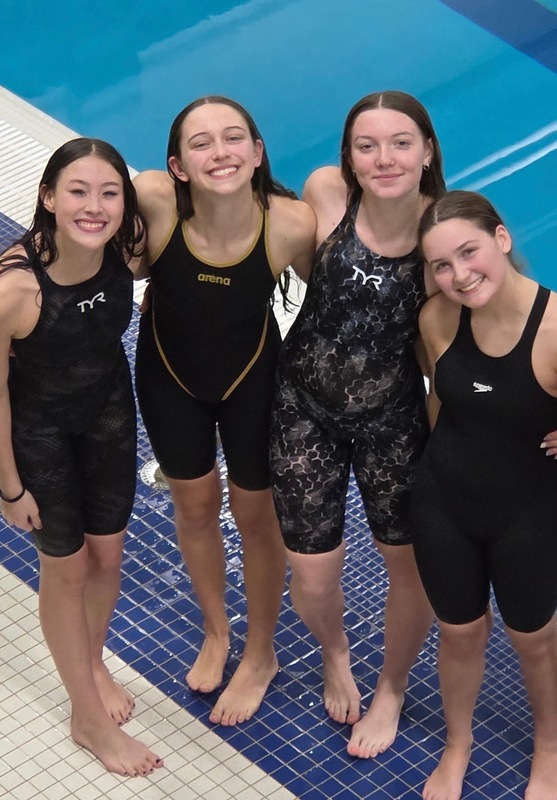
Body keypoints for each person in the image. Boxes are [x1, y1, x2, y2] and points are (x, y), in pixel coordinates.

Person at [270, 90, 446, 758]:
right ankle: (335, 652)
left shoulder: (442, 229)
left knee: (413, 570)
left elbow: (482, 328)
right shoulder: (324, 193)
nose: (383, 158)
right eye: (365, 145)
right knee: (312, 579)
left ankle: (392, 688)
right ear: (347, 154)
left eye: (400, 142)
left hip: (391, 419)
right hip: (303, 408)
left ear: (426, 150)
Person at [133, 96, 316, 726]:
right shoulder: (154, 201)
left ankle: (260, 651)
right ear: (177, 164)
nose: (220, 152)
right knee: (194, 505)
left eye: (234, 138)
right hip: (169, 377)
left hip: (252, 380)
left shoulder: (291, 224)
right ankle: (216, 629)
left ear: (258, 152)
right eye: (201, 143)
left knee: (257, 517)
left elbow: (340, 310)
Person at [0, 138, 164, 776]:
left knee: (108, 555)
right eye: (77, 191)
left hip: (108, 419)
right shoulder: (16, 290)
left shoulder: (123, 249)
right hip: (38, 437)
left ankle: (90, 660)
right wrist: (9, 487)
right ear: (46, 198)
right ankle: (88, 717)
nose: (94, 208)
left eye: (108, 193)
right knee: (65, 571)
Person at [412, 190, 557, 800]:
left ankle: (549, 747)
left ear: (501, 239)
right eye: (441, 266)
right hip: (445, 502)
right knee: (461, 632)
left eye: (468, 253)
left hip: (526, 511)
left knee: (535, 640)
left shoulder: (554, 329)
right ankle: (458, 743)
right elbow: (440, 409)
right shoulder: (437, 317)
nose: (458, 276)